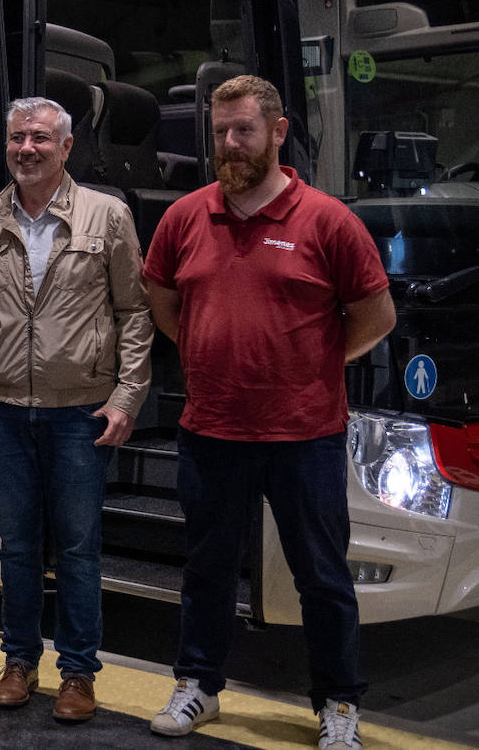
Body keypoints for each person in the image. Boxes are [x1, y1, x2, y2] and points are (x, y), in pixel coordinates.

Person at [142, 75, 395, 750]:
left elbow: (376, 315)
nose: (229, 144)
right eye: (220, 131)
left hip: (304, 434)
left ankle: (338, 703)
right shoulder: (185, 217)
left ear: (277, 132)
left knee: (322, 575)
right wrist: (208, 349)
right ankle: (199, 683)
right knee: (207, 569)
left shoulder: (328, 220)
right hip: (211, 428)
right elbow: (163, 302)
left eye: (244, 130)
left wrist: (310, 365)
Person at [0, 97, 153, 722]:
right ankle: (19, 661)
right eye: (17, 138)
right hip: (2, 411)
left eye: (40, 139)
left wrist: (128, 397)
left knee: (77, 547)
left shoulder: (108, 216)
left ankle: (78, 674)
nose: (27, 149)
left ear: (66, 147)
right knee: (17, 547)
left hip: (80, 412)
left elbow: (135, 313)